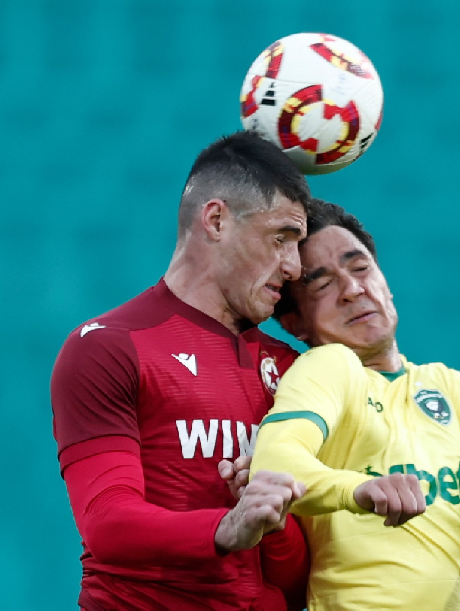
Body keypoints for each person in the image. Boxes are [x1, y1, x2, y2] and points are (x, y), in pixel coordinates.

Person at [233, 198, 460, 610]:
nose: (353, 290)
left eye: (360, 268)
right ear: (294, 323)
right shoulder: (328, 368)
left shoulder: (453, 387)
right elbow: (275, 465)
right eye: (322, 285)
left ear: (386, 283)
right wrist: (358, 490)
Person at [50, 132, 313, 610]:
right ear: (216, 220)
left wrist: (271, 523)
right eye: (281, 239)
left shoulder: (291, 370)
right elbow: (107, 523)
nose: (294, 267)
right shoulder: (108, 347)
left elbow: (299, 583)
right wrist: (227, 526)